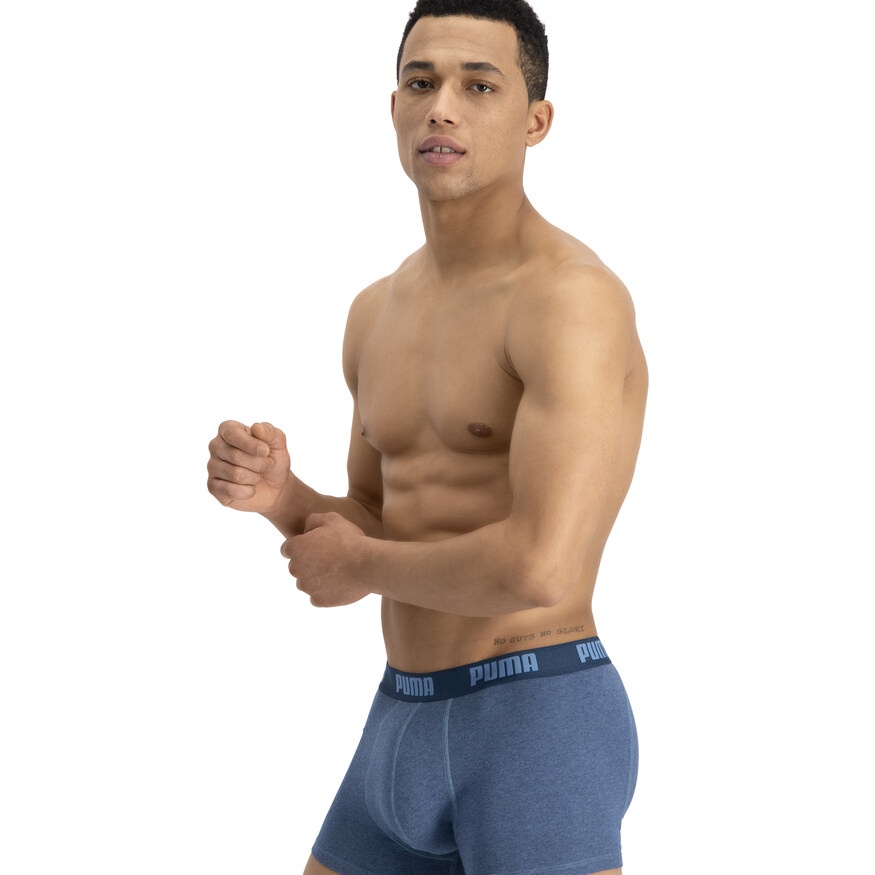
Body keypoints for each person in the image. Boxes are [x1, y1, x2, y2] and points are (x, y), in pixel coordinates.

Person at [207, 1, 647, 872]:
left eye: (478, 86)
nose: (442, 106)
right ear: (395, 107)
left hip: (535, 719)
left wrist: (361, 565)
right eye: (421, 82)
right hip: (397, 715)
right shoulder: (374, 311)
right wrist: (284, 499)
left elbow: (540, 566)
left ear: (535, 120)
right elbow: (379, 521)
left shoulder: (569, 299)